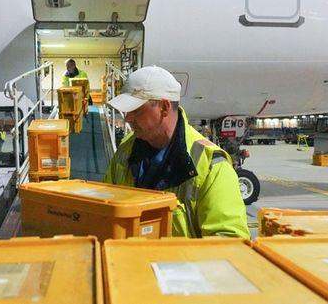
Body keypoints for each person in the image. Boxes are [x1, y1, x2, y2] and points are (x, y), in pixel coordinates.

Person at [103, 66, 250, 238]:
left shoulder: (211, 164)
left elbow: (230, 240)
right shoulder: (126, 150)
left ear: (164, 108)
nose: (127, 118)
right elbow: (106, 207)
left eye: (136, 110)